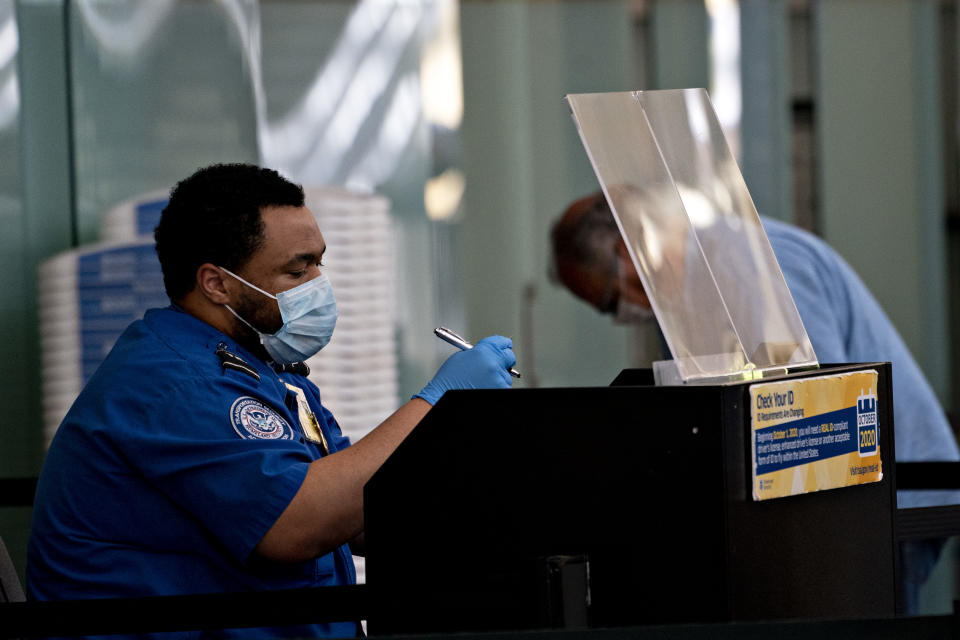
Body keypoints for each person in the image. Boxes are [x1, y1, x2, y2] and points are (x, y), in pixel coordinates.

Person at [26, 163, 517, 639]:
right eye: (296, 270)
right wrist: (437, 404)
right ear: (216, 283)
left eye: (319, 262)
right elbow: (296, 524)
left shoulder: (264, 369)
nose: (319, 285)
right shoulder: (173, 382)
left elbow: (360, 510)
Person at [550, 190, 960, 611]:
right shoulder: (688, 296)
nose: (624, 316)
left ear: (629, 250)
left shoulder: (751, 268)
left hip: (892, 495)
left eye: (610, 302)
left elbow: (827, 413)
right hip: (833, 507)